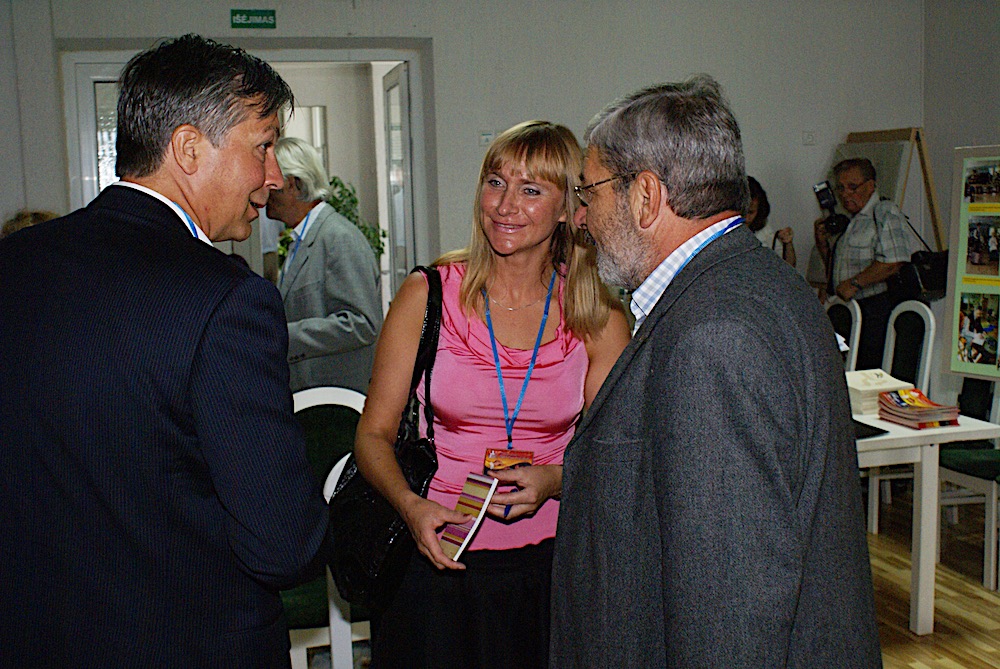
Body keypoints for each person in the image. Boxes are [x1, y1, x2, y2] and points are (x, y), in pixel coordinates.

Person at [0, 35, 333, 666]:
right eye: (262, 146)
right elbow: (283, 544)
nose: (273, 177)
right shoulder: (226, 301)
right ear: (188, 148)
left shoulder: (16, 262)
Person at [550, 76, 881, 667]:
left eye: (589, 192)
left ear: (646, 196)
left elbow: (730, 608)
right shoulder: (760, 284)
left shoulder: (713, 336)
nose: (580, 217)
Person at [354, 120, 630, 668]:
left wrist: (556, 480)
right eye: (495, 183)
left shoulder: (597, 317)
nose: (505, 206)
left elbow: (617, 457)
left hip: (550, 571)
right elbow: (372, 434)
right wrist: (410, 506)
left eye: (531, 190)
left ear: (567, 208)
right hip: (436, 562)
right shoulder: (428, 295)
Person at [268, 136, 383, 393]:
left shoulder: (338, 238)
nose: (265, 193)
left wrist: (286, 335)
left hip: (336, 399)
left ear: (294, 184)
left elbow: (362, 324)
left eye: (272, 184)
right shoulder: (303, 238)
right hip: (313, 395)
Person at [814, 157, 914, 370]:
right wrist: (823, 245)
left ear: (870, 186)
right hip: (848, 313)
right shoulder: (851, 220)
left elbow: (894, 260)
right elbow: (839, 269)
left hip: (875, 312)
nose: (845, 194)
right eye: (840, 188)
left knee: (869, 371)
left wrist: (855, 283)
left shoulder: (884, 211)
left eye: (852, 187)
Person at [746, 176, 795, 266]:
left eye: (751, 212)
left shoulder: (763, 230)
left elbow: (788, 267)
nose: (746, 218)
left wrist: (787, 244)